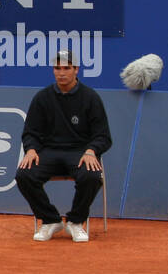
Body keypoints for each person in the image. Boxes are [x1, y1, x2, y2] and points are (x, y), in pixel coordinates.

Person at [15, 51, 112, 243]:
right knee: (24, 174)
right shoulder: (42, 98)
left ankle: (76, 222)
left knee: (92, 176)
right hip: (48, 153)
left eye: (67, 68)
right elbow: (30, 132)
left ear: (76, 70)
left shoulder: (90, 98)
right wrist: (32, 149)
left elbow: (103, 135)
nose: (61, 73)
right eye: (57, 68)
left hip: (80, 153)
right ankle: (51, 220)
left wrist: (91, 151)